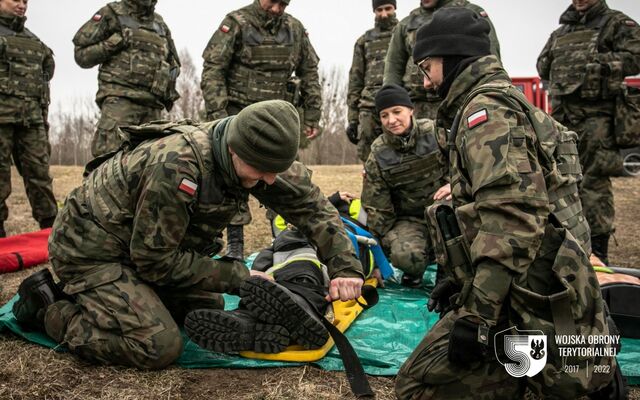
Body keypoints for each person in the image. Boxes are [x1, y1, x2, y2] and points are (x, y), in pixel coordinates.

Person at [12, 100, 364, 369]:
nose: (270, 182)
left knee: (206, 306)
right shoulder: (177, 164)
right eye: (262, 172)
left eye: (276, 171)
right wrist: (239, 276)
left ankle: (123, 302)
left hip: (143, 247)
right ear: (234, 150)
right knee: (157, 343)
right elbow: (154, 261)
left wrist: (345, 266)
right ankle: (49, 308)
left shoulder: (263, 156)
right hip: (90, 251)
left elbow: (312, 207)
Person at [396, 8, 618, 399]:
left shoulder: (488, 115)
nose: (424, 80)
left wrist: (476, 316)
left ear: (451, 58)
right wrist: (458, 277)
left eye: (426, 66)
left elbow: (512, 222)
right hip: (548, 286)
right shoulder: (502, 102)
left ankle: (558, 381)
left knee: (416, 389)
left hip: (534, 298)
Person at [201, 0, 322, 261]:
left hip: (277, 121)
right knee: (232, 177)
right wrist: (217, 114)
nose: (277, 8)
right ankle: (235, 244)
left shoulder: (295, 29)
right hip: (237, 115)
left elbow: (310, 72)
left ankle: (281, 238)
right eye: (273, 2)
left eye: (283, 3)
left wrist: (312, 115)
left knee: (281, 177)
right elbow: (213, 69)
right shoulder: (236, 22)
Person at [537, 0, 640, 266]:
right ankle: (568, 242)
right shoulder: (562, 31)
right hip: (564, 118)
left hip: (598, 119)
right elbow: (542, 65)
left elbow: (636, 56)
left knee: (593, 183)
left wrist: (598, 63)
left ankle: (600, 251)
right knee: (561, 180)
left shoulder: (616, 23)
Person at [361, 84, 448, 287]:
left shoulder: (437, 132)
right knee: (406, 257)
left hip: (447, 209)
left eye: (397, 112)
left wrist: (455, 184)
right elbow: (378, 209)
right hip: (410, 220)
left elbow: (468, 162)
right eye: (384, 115)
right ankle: (423, 259)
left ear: (411, 110)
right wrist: (375, 257)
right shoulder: (378, 154)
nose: (391, 120)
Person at [73, 0, 181, 158]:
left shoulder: (159, 24)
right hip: (120, 103)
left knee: (149, 167)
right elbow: (81, 55)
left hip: (153, 108)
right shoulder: (112, 14)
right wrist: (113, 43)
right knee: (108, 163)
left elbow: (174, 64)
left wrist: (166, 83)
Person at [382, 0, 500, 121]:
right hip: (416, 107)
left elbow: (489, 58)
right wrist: (392, 104)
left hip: (458, 102)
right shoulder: (406, 24)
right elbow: (393, 66)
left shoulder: (470, 11)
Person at [0, 0, 57, 238]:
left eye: (25, 1)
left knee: (40, 176)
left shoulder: (36, 43)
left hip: (31, 121)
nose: (22, 5)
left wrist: (42, 119)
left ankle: (51, 229)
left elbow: (46, 77)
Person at [346, 0, 399, 163]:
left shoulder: (405, 35)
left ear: (395, 8)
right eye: (379, 10)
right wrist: (352, 119)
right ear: (374, 12)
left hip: (397, 103)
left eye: (388, 9)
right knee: (370, 160)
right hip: (369, 106)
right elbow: (355, 80)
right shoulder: (364, 41)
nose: (384, 14)